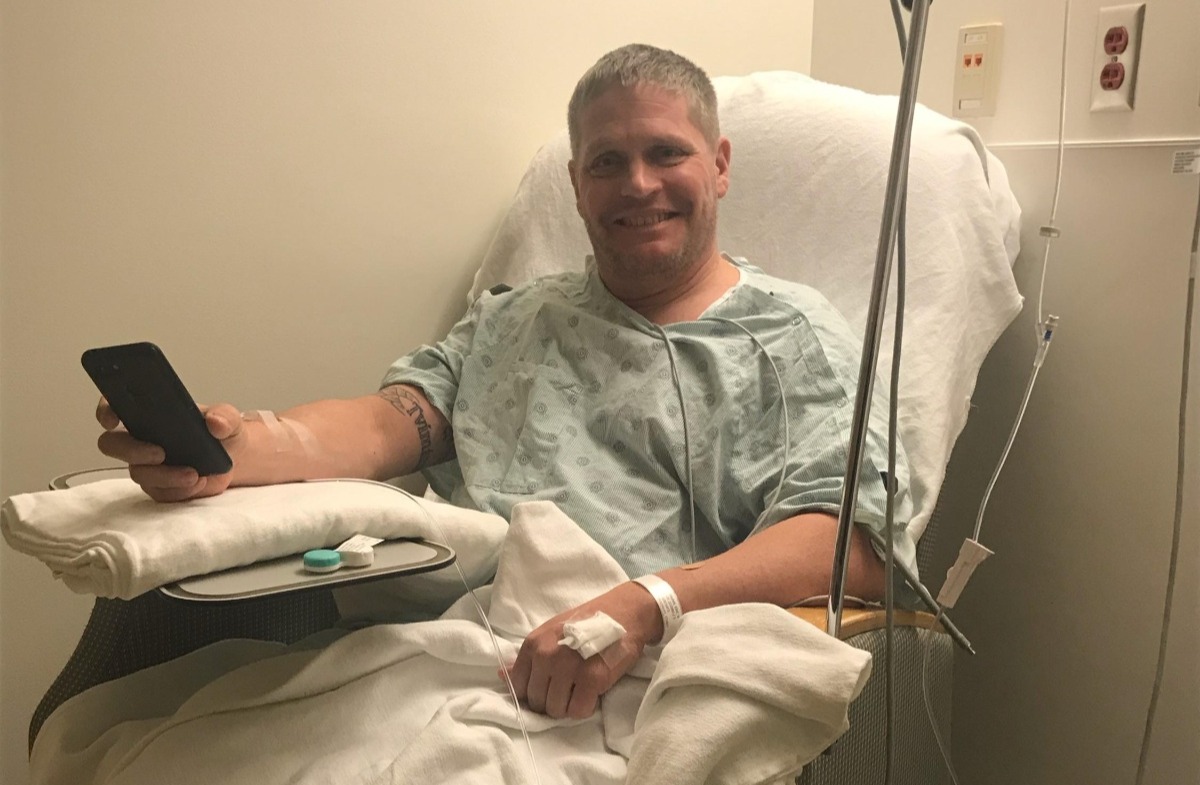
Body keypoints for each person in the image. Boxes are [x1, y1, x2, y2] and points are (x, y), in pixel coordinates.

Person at [96, 44, 909, 722]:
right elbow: (390, 423)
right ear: (577, 185)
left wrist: (642, 605)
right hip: (431, 651)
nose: (637, 184)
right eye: (607, 162)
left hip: (616, 678)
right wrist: (240, 448)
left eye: (667, 153)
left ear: (720, 165)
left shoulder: (790, 341)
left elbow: (854, 545)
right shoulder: (515, 320)